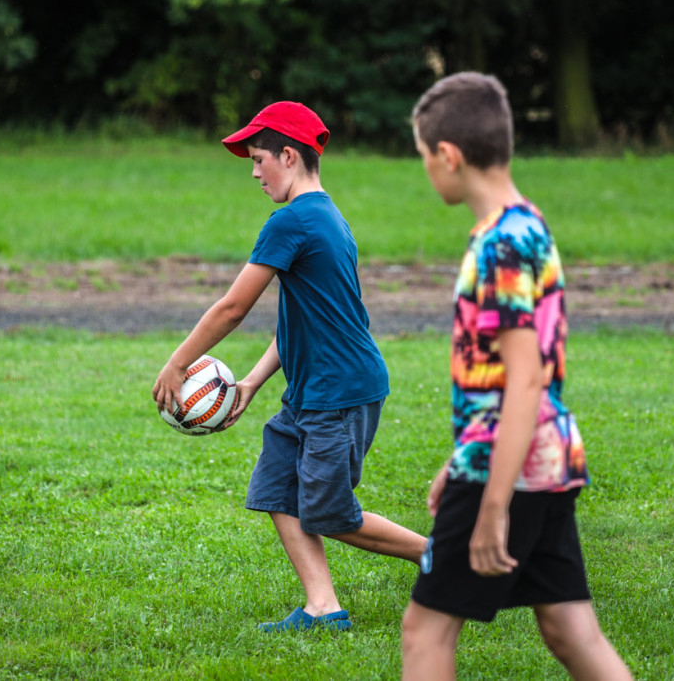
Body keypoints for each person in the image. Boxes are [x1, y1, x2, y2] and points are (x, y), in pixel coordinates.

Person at [152, 101, 427, 633]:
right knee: (279, 489)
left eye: (259, 160)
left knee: (328, 512)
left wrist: (177, 363)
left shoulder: (293, 221)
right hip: (312, 390)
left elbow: (233, 309)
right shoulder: (327, 216)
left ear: (288, 155)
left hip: (339, 391)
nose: (254, 173)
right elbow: (300, 321)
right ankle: (323, 607)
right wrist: (252, 382)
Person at [400, 73, 632, 680]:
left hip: (513, 466)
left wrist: (492, 502)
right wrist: (462, 455)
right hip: (548, 454)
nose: (426, 171)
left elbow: (525, 379)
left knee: (425, 631)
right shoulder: (527, 225)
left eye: (425, 157)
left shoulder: (500, 246)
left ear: (448, 156)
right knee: (569, 628)